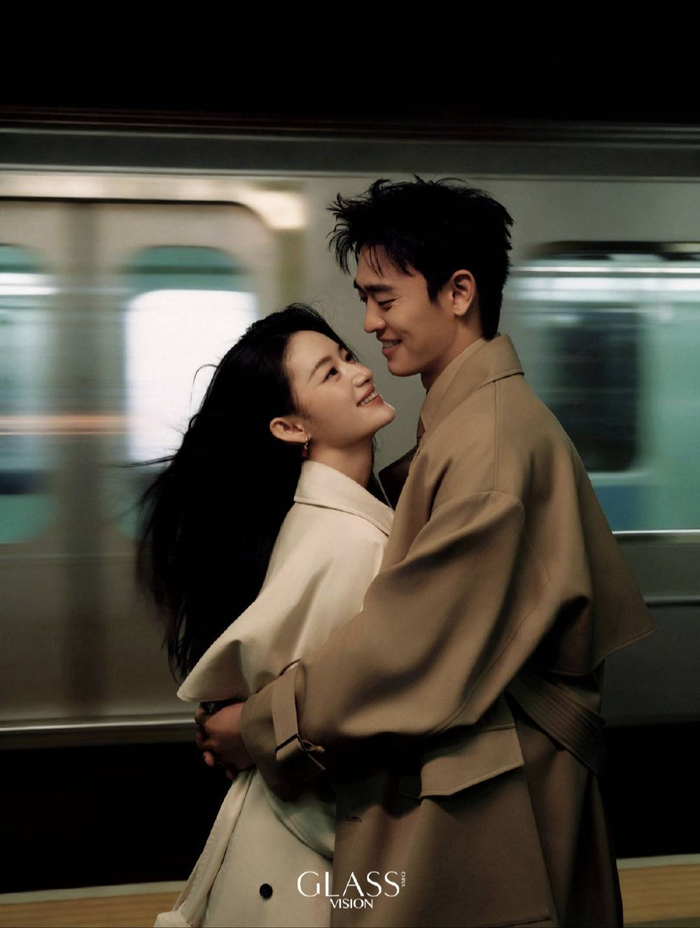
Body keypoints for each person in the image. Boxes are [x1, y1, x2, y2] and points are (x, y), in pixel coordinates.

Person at [195, 178, 656, 928]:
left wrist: (257, 727)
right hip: (501, 802)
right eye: (365, 300)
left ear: (459, 292)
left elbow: (406, 651)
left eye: (384, 299)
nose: (370, 323)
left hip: (507, 815)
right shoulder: (470, 425)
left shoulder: (491, 445)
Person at [136, 303, 396, 926]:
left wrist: (247, 730)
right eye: (330, 372)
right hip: (307, 867)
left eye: (348, 357)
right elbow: (355, 714)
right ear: (288, 427)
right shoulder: (351, 543)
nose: (360, 372)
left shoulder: (321, 521)